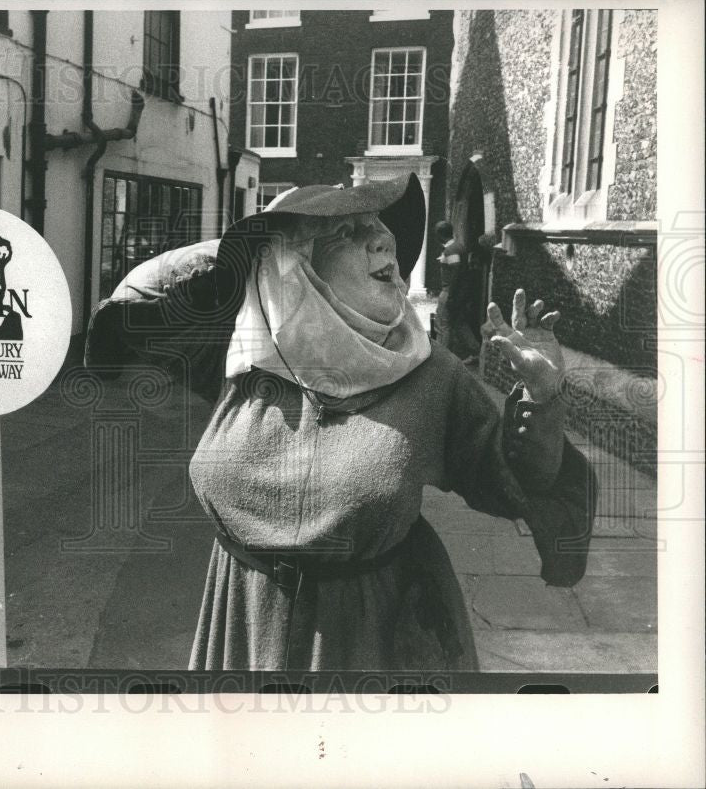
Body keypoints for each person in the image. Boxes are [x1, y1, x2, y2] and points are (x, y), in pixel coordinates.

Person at [85, 174, 593, 671]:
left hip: (370, 641)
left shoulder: (430, 373)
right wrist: (253, 249)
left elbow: (518, 483)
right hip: (242, 624)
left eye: (380, 224)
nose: (384, 239)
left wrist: (540, 398)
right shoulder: (245, 358)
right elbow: (143, 298)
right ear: (298, 266)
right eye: (350, 231)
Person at [433, 220, 480, 364]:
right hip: (459, 293)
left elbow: (455, 269)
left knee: (442, 325)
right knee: (460, 323)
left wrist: (451, 295)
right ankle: (476, 351)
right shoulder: (458, 246)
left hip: (449, 292)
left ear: (440, 235)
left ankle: (441, 359)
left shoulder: (451, 249)